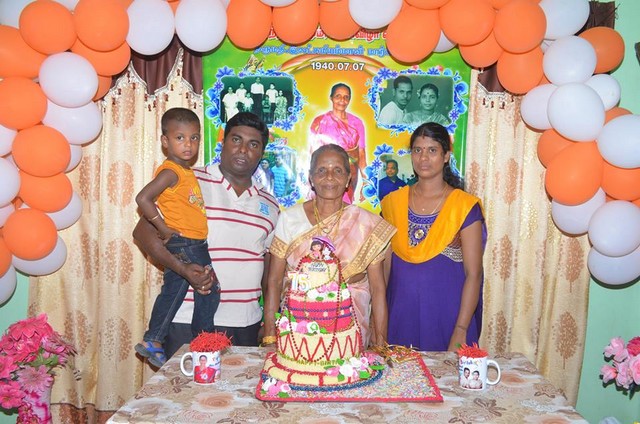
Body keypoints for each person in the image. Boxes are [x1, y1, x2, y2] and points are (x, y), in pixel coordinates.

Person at [133, 112, 279, 359]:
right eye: (236, 140)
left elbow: (267, 271)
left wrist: (268, 324)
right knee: (184, 386)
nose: (243, 149)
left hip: (246, 323)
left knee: (240, 386)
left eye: (253, 144)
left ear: (261, 153)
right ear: (223, 142)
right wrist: (183, 270)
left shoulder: (271, 205)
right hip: (187, 320)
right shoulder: (188, 180)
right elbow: (142, 233)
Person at [262, 144, 396, 350]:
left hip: (351, 336)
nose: (329, 177)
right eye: (322, 170)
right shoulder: (289, 219)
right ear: (311, 178)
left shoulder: (366, 224)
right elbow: (274, 281)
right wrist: (270, 337)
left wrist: (380, 345)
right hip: (298, 334)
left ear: (348, 179)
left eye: (338, 170)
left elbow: (378, 289)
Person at [381, 122, 486, 352]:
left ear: (446, 156)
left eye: (432, 150)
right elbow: (385, 270)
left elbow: (474, 274)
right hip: (401, 315)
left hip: (448, 318)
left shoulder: (464, 207)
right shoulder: (392, 204)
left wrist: (461, 329)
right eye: (417, 150)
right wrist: (378, 321)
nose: (423, 158)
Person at [133, 108, 218, 368]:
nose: (188, 144)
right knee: (209, 288)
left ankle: (153, 339)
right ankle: (203, 340)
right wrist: (162, 227)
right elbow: (143, 198)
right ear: (165, 141)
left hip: (188, 241)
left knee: (174, 290)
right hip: (187, 242)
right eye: (180, 138)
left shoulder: (183, 171)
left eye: (194, 138)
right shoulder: (171, 172)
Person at [310, 83, 367, 203]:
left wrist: (366, 182)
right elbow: (313, 154)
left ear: (349, 100)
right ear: (331, 98)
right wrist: (309, 181)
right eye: (338, 96)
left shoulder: (357, 123)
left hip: (349, 174)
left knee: (345, 208)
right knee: (323, 206)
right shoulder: (320, 121)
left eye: (346, 97)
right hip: (324, 172)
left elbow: (361, 154)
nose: (342, 100)